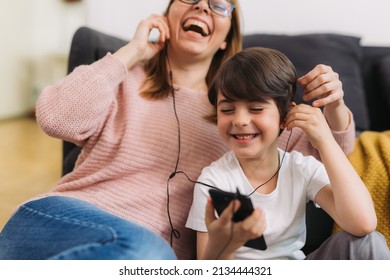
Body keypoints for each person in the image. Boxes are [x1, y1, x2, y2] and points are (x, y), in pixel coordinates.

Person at [0, 0, 354, 260]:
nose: (202, 6)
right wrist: (133, 51)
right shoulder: (123, 82)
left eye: (218, 6)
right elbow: (54, 118)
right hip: (60, 223)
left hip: (151, 262)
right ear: (167, 16)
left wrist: (335, 106)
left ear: (226, 38)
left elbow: (335, 155)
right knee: (146, 251)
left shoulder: (248, 119)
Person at [186, 47, 390, 260]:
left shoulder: (301, 168)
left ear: (285, 117)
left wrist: (325, 140)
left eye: (256, 108)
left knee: (368, 242)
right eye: (227, 110)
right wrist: (223, 246)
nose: (240, 120)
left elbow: (363, 224)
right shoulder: (213, 181)